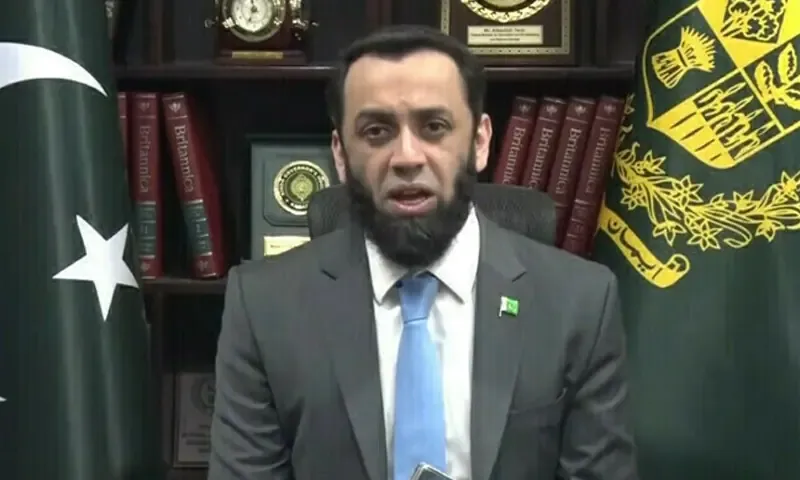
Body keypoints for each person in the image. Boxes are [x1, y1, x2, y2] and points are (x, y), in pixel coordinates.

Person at [208, 25, 638, 480]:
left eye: (434, 127)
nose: (407, 157)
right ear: (340, 155)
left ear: (480, 142)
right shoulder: (264, 306)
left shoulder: (579, 303)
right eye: (377, 131)